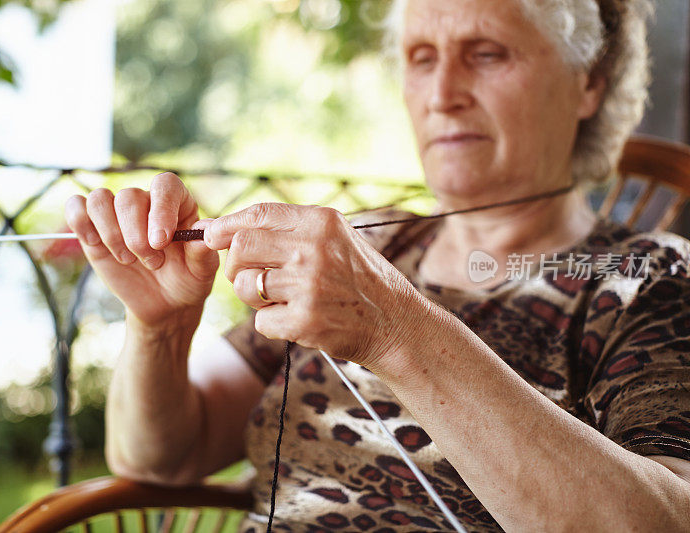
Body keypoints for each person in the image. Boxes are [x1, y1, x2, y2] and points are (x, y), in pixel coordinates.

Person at [65, 0, 690, 529]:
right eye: (421, 58)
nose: (442, 95)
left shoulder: (646, 279)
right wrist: (159, 330)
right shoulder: (370, 250)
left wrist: (396, 328)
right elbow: (163, 457)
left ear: (589, 82)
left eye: (487, 53)